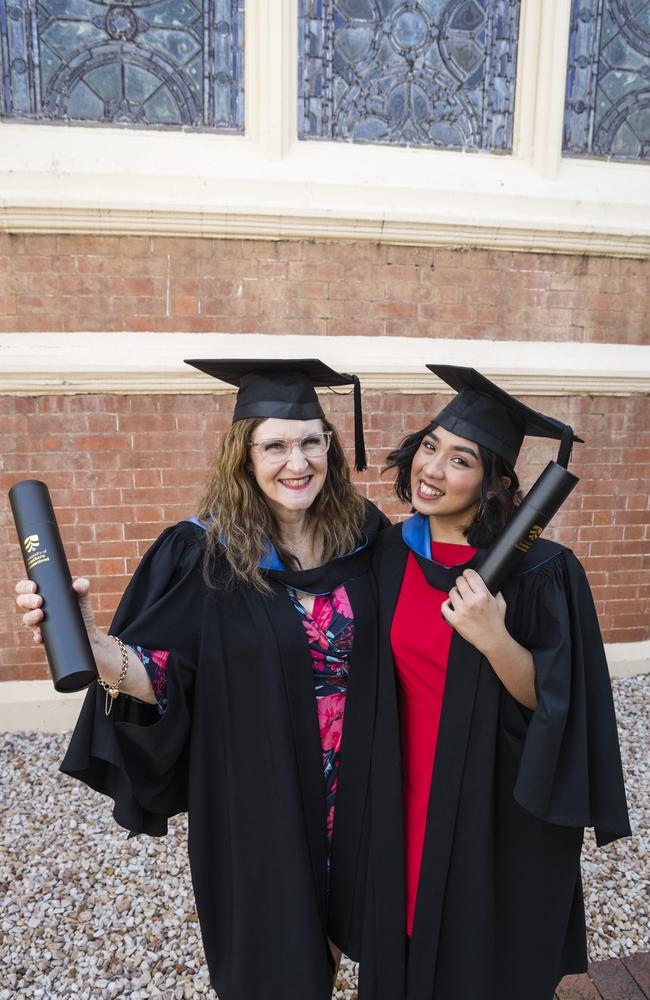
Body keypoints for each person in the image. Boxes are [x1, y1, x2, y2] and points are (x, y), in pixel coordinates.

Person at [16, 358, 388, 1000]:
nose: (296, 462)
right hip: (261, 794)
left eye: (309, 441)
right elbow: (161, 676)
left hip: (365, 789)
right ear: (243, 456)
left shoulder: (367, 537)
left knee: (375, 938)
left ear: (329, 444)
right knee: (279, 963)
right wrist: (95, 643)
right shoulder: (204, 553)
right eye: (274, 445)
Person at [360, 365, 630, 1000]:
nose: (432, 469)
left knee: (478, 954)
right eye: (430, 446)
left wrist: (495, 637)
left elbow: (558, 700)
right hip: (401, 784)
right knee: (399, 940)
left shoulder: (543, 571)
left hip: (493, 794)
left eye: (461, 459)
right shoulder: (389, 553)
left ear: (495, 483)